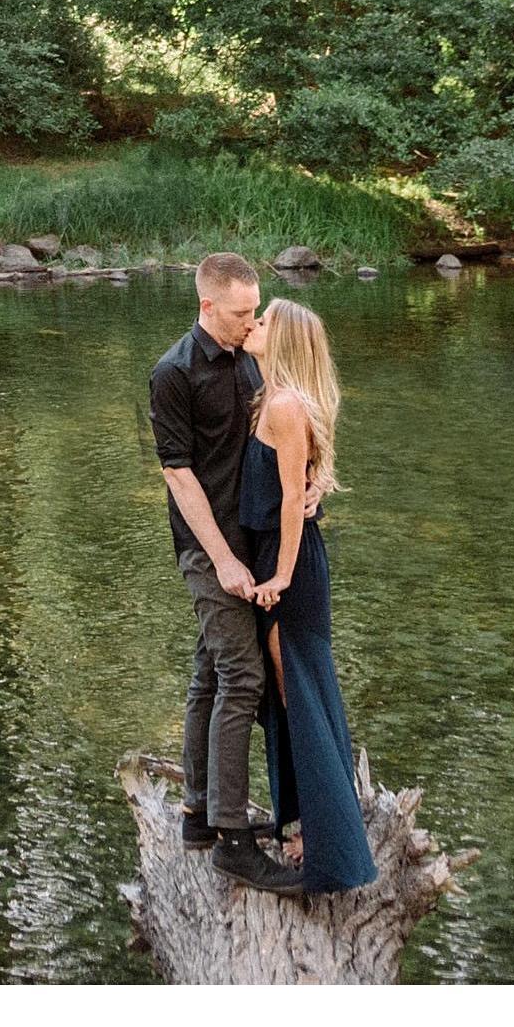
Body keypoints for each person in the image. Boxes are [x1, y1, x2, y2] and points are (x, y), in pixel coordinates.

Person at [147, 254, 304, 893]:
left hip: (254, 543)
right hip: (208, 548)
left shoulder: (252, 357)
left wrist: (306, 487)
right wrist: (223, 559)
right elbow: (178, 475)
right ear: (207, 306)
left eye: (255, 309)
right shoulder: (174, 373)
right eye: (242, 312)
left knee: (211, 671)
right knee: (243, 677)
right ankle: (234, 843)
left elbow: (282, 437)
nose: (252, 321)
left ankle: (198, 815)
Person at [236, 296, 374, 895]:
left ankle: (328, 846)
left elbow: (295, 498)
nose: (254, 324)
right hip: (275, 556)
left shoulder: (286, 405)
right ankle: (308, 826)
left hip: (289, 566)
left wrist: (282, 577)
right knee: (292, 692)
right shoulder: (269, 396)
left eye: (264, 320)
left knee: (301, 693)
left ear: (285, 339)